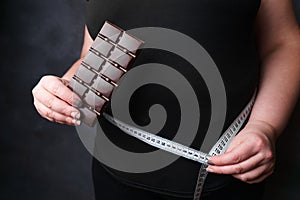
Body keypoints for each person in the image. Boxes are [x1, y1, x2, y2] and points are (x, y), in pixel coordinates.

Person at [32, 0, 300, 199]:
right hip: (113, 170)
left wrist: (264, 125)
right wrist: (63, 89)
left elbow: (283, 42)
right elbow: (95, 51)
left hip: (220, 176)